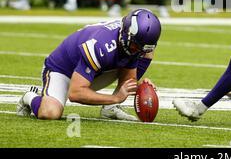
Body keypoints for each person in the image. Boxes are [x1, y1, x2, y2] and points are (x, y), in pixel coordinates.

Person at [16, 8, 161, 121]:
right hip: (63, 70)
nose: (138, 52)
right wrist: (115, 98)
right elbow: (75, 93)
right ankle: (29, 97)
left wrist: (141, 86)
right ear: (125, 34)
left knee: (146, 53)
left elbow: (129, 78)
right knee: (50, 113)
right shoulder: (100, 45)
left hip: (97, 69)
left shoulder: (132, 40)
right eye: (136, 47)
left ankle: (109, 109)